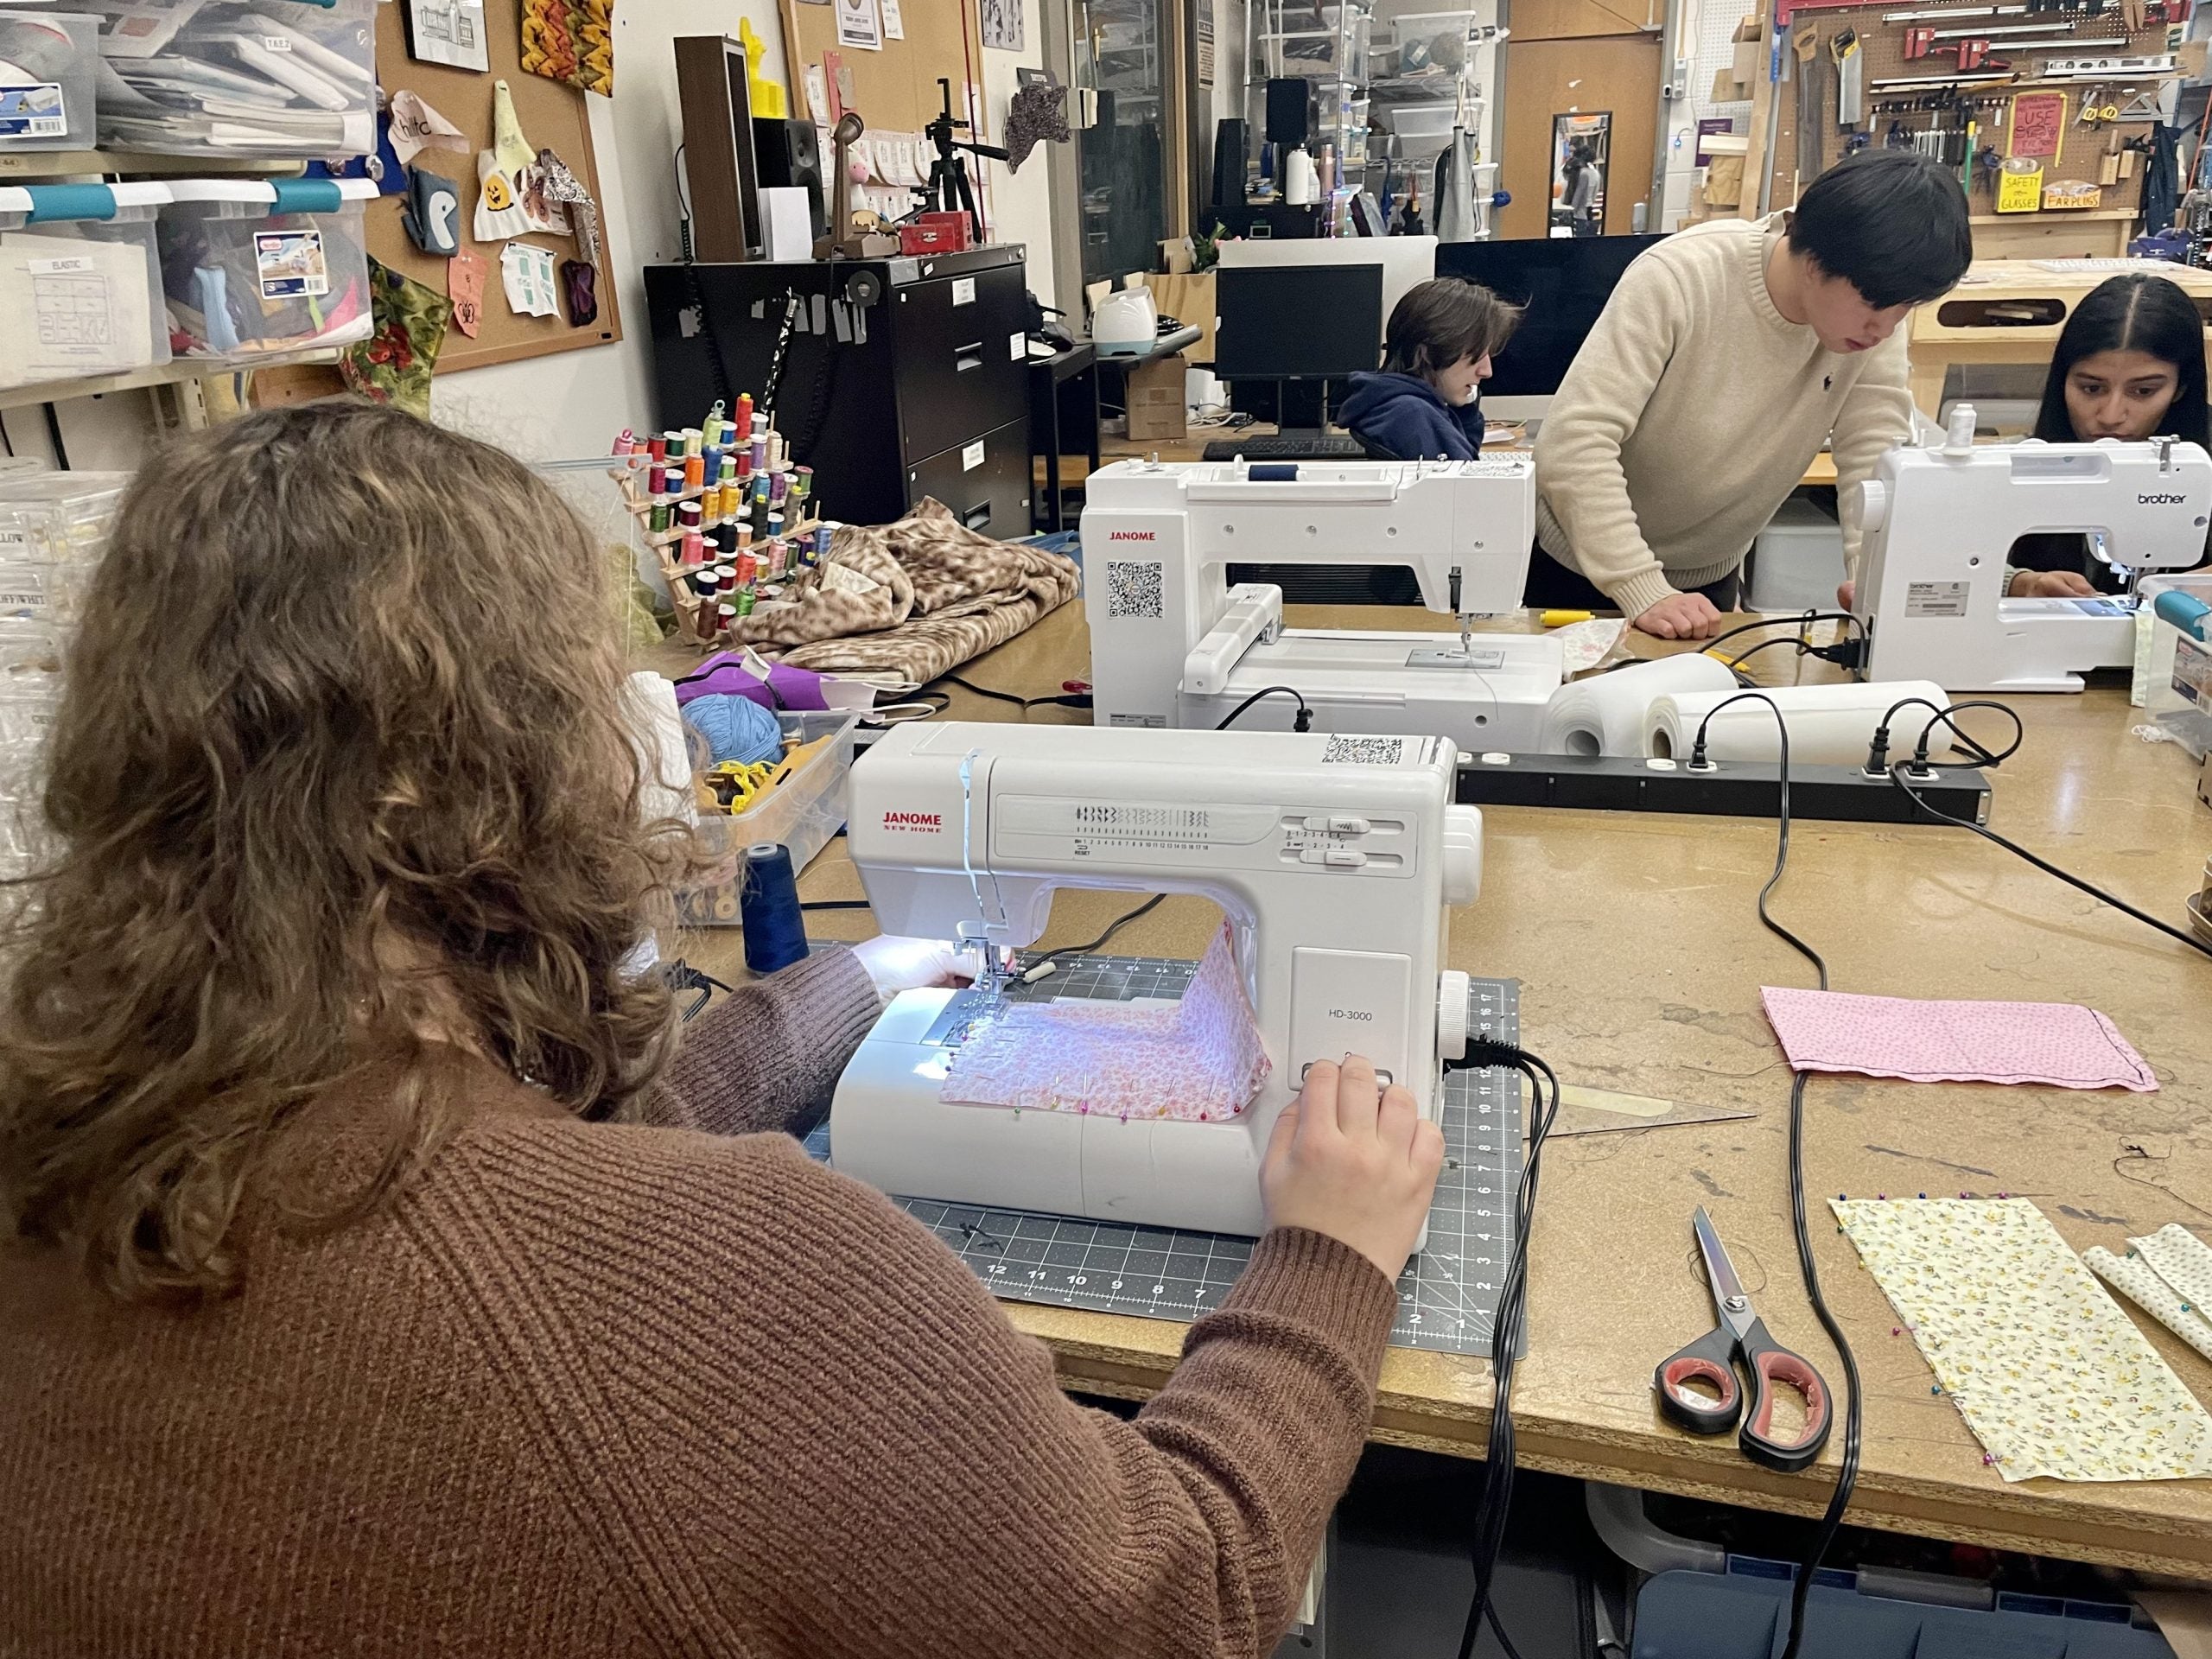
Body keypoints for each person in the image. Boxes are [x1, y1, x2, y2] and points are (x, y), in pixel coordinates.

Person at [0, 403, 1446, 1656]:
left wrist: (865, 980)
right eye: (581, 691)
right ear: (442, 782)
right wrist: (1326, 1265)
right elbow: (1175, 1603)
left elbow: (513, 1210)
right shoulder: (751, 1284)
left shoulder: (74, 1165)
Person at [1530, 150, 1974, 639]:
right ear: (1814, 261)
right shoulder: (1681, 276)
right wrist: (1641, 586)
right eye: (1874, 303)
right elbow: (1575, 443)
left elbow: (1876, 459)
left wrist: (1878, 582)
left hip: (1707, 577)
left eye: (1907, 307)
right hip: (1578, 565)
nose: (1886, 327)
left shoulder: (1876, 325)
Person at [2010, 270, 2212, 596]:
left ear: (2180, 388)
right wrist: (2017, 582)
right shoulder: (2020, 462)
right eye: (2091, 388)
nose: (2111, 416)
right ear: (2063, 380)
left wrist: (2188, 589)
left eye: (2144, 391)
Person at [1340, 276, 1522, 461]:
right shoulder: (1412, 416)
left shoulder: (1398, 407)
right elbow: (1463, 484)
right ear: (1427, 354)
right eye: (1475, 356)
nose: (1486, 371)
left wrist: (1464, 410)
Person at [1562, 140, 1599, 237]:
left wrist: (1569, 210)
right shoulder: (1595, 173)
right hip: (1589, 210)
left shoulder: (1583, 173)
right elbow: (1595, 193)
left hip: (1579, 214)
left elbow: (1577, 196)